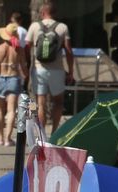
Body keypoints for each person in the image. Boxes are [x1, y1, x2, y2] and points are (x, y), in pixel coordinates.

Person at [24, 3, 75, 135]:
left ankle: (41, 134)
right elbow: (68, 50)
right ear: (55, 13)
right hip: (57, 70)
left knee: (40, 103)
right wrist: (70, 71)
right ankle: (54, 133)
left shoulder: (34, 26)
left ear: (42, 13)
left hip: (38, 69)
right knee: (58, 101)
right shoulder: (63, 27)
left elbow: (26, 46)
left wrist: (27, 64)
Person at [0, 23, 25, 146]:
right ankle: (7, 139)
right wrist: (25, 76)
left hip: (1, 79)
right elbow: (24, 66)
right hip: (14, 79)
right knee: (11, 110)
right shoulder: (18, 49)